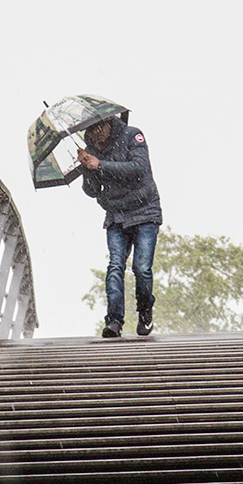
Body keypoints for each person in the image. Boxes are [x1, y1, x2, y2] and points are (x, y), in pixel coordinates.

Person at [77, 116, 162, 337]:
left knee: (141, 268)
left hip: (145, 212)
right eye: (91, 129)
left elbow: (139, 168)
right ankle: (114, 320)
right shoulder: (90, 151)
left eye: (100, 126)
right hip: (116, 216)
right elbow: (92, 191)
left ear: (109, 122)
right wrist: (87, 169)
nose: (97, 132)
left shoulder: (132, 135)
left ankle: (145, 311)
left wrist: (101, 165)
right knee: (115, 266)